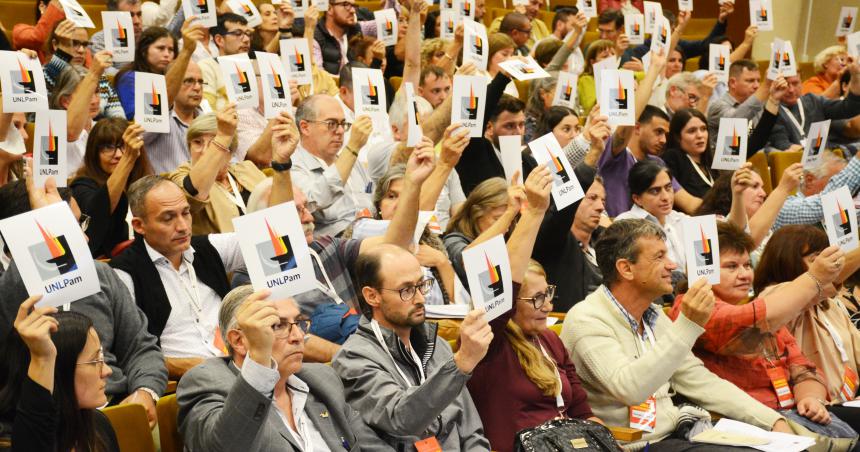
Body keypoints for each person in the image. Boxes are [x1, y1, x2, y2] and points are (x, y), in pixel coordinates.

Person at [562, 219, 792, 450]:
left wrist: (772, 420)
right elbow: (630, 389)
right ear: (626, 269)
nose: (672, 265)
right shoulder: (587, 319)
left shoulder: (652, 316)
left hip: (677, 433)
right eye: (659, 257)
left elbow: (700, 382)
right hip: (635, 444)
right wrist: (688, 324)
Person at [0, 171, 167, 430]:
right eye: (68, 228)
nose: (86, 238)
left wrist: (146, 391)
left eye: (80, 224)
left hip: (116, 406)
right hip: (46, 422)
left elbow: (141, 348)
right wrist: (43, 221)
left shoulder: (101, 274)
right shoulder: (11, 288)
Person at [668, 222, 860, 447]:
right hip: (741, 422)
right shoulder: (692, 307)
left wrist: (810, 398)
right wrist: (815, 277)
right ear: (704, 270)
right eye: (732, 266)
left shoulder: (757, 307)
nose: (744, 274)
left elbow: (802, 368)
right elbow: (744, 321)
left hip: (791, 412)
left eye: (747, 265)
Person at [468, 167, 603, 452]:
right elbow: (497, 288)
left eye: (548, 295)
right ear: (511, 303)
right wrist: (533, 213)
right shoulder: (490, 343)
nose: (549, 306)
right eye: (536, 299)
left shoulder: (551, 340)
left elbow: (581, 410)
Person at [176, 286, 394, 452]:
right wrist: (260, 360)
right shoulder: (206, 381)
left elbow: (372, 447)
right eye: (278, 326)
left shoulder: (321, 379)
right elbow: (224, 447)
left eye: (298, 323)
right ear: (239, 341)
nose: (299, 337)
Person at [754, 226, 860, 415]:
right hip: (806, 408)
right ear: (786, 260)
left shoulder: (832, 304)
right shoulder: (773, 296)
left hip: (847, 402)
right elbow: (811, 288)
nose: (830, 267)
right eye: (815, 261)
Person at [0, 297, 118, 451]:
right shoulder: (9, 443)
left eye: (101, 357)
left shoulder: (98, 425)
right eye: (94, 361)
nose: (107, 371)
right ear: (58, 371)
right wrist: (42, 358)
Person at [168, 107, 287, 235]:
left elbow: (281, 210)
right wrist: (222, 137)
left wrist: (283, 160)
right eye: (197, 142)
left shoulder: (247, 169)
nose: (204, 150)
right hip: (221, 253)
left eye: (214, 142)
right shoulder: (180, 176)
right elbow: (193, 195)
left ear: (230, 151)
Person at [290, 94, 376, 237]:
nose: (341, 131)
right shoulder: (293, 166)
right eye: (331, 124)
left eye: (343, 124)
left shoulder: (352, 161)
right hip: (335, 243)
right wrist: (353, 147)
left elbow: (373, 197)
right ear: (305, 127)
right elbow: (312, 202)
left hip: (371, 230)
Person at [71, 118, 151, 258]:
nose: (119, 155)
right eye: (108, 147)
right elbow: (97, 213)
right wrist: (128, 159)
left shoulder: (145, 183)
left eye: (124, 146)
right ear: (94, 153)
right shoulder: (81, 187)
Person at [532, 167, 605, 312]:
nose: (600, 207)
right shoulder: (553, 239)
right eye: (592, 198)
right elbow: (562, 213)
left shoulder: (606, 241)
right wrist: (589, 163)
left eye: (603, 200)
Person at [768, 62, 860, 152]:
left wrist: (856, 80)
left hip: (824, 161)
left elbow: (848, 109)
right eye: (786, 85)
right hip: (795, 161)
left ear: (802, 82)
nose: (791, 90)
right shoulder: (772, 111)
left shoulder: (813, 101)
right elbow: (782, 144)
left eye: (795, 83)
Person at [142, 60, 203, 174]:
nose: (197, 87)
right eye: (189, 81)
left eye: (200, 82)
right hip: (168, 188)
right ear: (172, 85)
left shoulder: (209, 118)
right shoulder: (154, 116)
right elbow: (140, 136)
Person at [706, 60, 764, 148]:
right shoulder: (718, 106)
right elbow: (735, 122)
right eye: (750, 81)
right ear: (733, 83)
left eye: (758, 80)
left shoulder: (758, 105)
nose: (757, 86)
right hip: (725, 159)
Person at [661, 108, 716, 198]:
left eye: (703, 129)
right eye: (692, 131)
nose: (700, 135)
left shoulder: (712, 161)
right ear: (677, 137)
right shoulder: (673, 158)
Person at [89, 0, 144, 76]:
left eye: (139, 14)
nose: (137, 21)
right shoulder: (99, 40)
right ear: (113, 18)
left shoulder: (148, 37)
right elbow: (106, 73)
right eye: (130, 15)